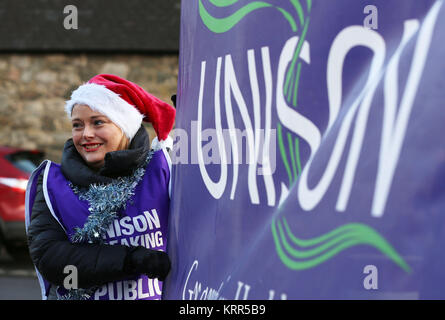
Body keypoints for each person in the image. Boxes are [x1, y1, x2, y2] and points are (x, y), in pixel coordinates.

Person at [25, 74, 176, 300]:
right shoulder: (51, 183)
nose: (86, 134)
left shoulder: (162, 168)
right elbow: (54, 262)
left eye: (98, 122)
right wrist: (129, 259)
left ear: (125, 126)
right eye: (77, 125)